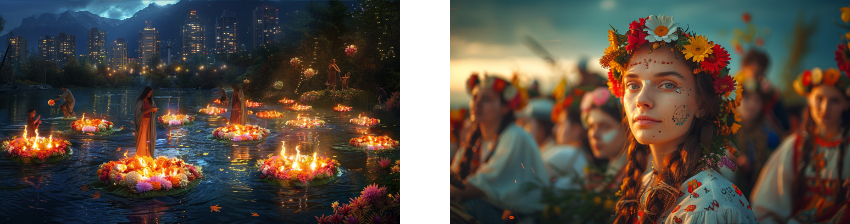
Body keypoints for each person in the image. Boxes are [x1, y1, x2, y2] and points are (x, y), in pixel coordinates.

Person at [604, 15, 756, 223]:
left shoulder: (710, 206)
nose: (642, 100)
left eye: (667, 84)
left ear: (701, 104)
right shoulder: (646, 182)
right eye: (633, 85)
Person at [750, 67, 850, 223]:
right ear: (809, 99)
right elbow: (766, 207)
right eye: (819, 98)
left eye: (835, 100)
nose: (825, 107)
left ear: (846, 104)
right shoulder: (794, 145)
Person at [450, 72, 548, 223]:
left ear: (505, 108)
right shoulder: (475, 140)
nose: (477, 103)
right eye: (475, 97)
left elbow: (478, 186)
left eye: (486, 99)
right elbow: (455, 176)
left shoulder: (515, 136)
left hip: (519, 218)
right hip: (492, 211)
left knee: (467, 207)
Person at [579, 87, 643, 192]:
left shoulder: (635, 177)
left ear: (629, 129)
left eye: (605, 127)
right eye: (591, 126)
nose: (594, 135)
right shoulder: (609, 171)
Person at [544, 88, 592, 190]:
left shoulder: (566, 152)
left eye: (561, 124)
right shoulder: (583, 154)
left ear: (576, 130)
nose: (554, 130)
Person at [134, 86, 157, 157]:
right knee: (143, 138)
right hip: (143, 122)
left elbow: (155, 109)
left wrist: (154, 110)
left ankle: (149, 154)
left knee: (149, 138)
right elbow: (138, 113)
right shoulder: (140, 101)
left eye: (151, 93)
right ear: (145, 92)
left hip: (150, 122)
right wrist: (149, 110)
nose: (150, 94)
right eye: (149, 93)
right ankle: (141, 154)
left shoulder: (151, 101)